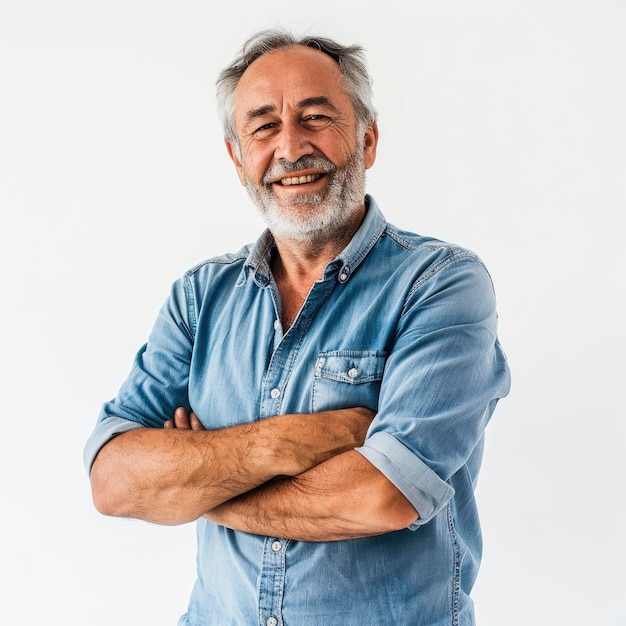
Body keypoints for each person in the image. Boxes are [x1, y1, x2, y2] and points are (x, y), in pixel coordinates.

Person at [84, 27, 511, 626]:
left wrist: (197, 481)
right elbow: (113, 481)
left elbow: (384, 495)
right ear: (238, 159)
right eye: (263, 125)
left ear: (367, 139)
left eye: (315, 116)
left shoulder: (440, 284)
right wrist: (290, 444)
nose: (290, 147)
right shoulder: (199, 298)